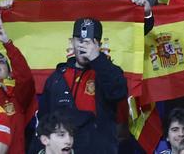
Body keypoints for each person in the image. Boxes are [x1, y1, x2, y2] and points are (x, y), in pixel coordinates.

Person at [36, 19, 126, 154]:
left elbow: (117, 93)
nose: (84, 46)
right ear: (72, 42)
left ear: (99, 45)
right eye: (80, 41)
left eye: (90, 42)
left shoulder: (109, 71)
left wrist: (97, 58)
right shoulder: (57, 76)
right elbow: (44, 120)